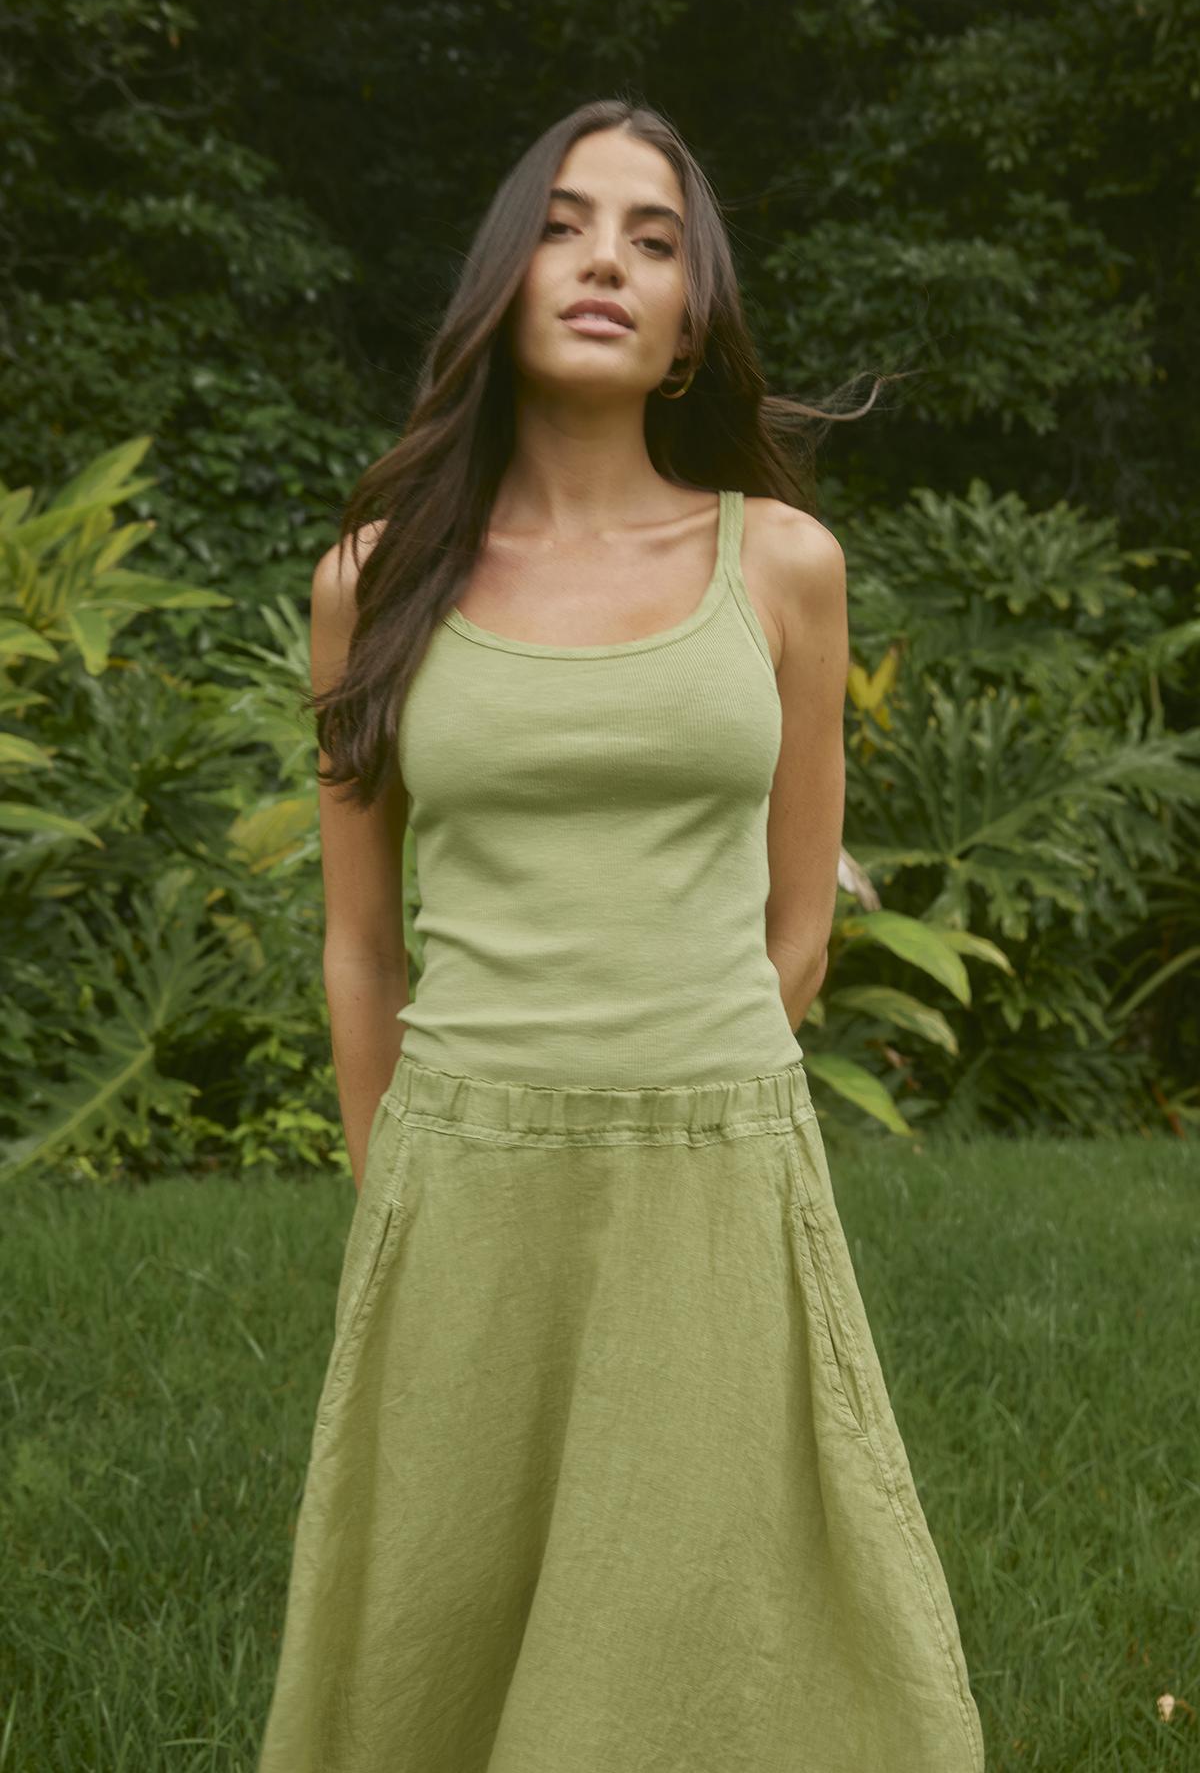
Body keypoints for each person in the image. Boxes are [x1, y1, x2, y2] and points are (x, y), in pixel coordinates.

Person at [256, 97, 985, 1773]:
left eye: (655, 240)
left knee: (720, 1624)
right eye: (570, 226)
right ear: (505, 283)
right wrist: (400, 1196)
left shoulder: (785, 566)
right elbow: (359, 947)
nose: (607, 261)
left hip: (710, 1165)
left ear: (688, 329)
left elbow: (797, 934)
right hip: (465, 1172)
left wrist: (688, 1103)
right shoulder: (373, 582)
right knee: (439, 1629)